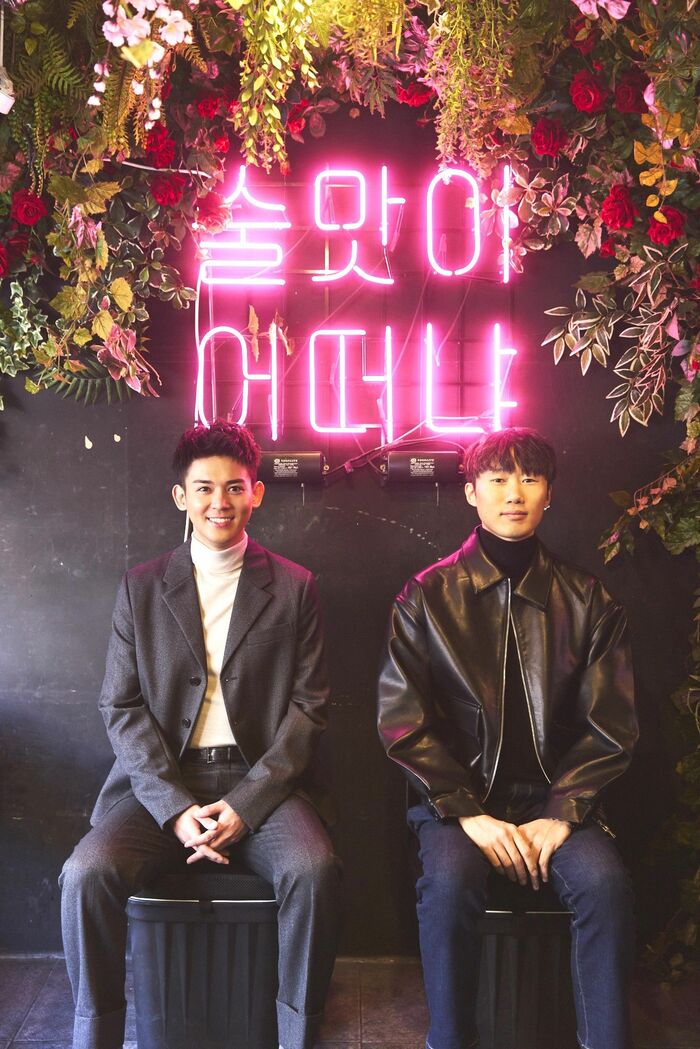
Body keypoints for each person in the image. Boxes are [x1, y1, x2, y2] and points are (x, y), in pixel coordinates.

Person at [60, 420, 341, 1049]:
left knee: (314, 870)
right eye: (205, 488)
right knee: (85, 874)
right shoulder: (140, 587)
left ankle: (298, 1038)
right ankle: (94, 1039)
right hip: (163, 783)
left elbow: (309, 708)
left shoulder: (294, 587)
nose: (221, 502)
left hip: (262, 782)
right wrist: (174, 808)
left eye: (235, 487)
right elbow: (121, 705)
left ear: (256, 493)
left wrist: (245, 806)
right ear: (181, 497)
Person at [377, 427, 638, 1049]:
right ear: (472, 492)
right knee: (449, 886)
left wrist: (562, 812)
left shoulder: (589, 599)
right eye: (497, 479)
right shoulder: (426, 595)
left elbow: (611, 726)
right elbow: (402, 721)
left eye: (529, 478)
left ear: (549, 493)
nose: (513, 493)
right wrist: (466, 811)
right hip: (456, 804)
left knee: (606, 887)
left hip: (556, 801)